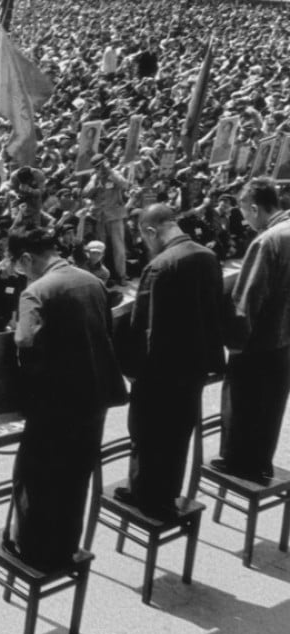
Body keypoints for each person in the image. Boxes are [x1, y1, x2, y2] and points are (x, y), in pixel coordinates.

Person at [5, 227, 125, 570]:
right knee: (76, 476)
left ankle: (32, 549)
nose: (22, 274)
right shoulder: (92, 280)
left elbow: (24, 340)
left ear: (27, 258)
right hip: (95, 399)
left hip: (55, 404)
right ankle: (65, 546)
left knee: (37, 477)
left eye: (20, 267)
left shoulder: (36, 291)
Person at [116, 204, 225, 517]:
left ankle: (145, 496)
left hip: (160, 374)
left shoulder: (161, 266)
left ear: (151, 231)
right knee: (178, 435)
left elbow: (143, 330)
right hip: (194, 367)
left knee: (148, 436)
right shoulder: (207, 256)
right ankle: (167, 493)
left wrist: (133, 372)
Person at [218, 178, 290, 481]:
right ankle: (260, 462)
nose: (245, 221)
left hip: (260, 343)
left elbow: (248, 299)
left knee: (244, 407)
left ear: (255, 207)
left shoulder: (267, 241)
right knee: (271, 408)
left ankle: (240, 466)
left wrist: (233, 342)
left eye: (245, 213)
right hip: (285, 341)